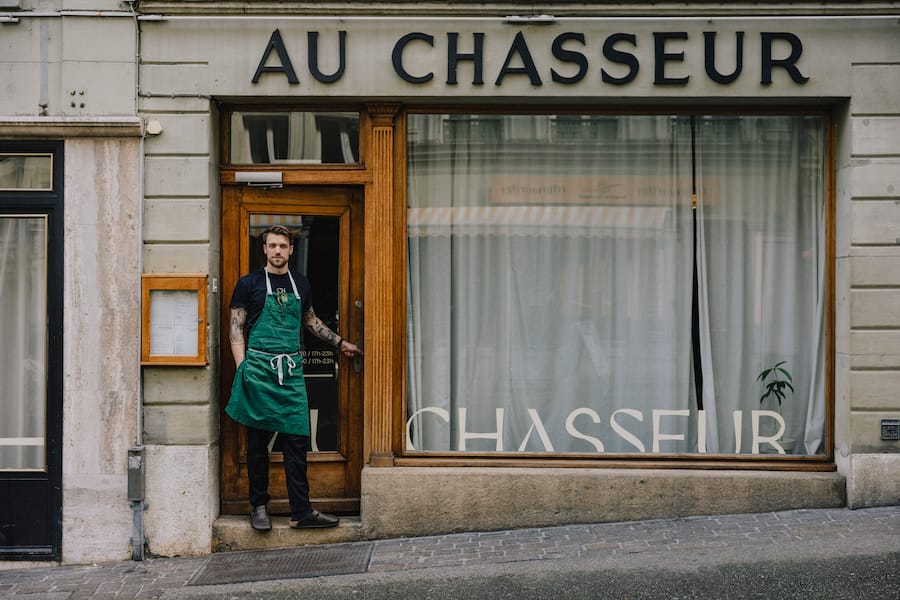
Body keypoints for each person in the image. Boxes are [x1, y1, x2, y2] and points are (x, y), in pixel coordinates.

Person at [226, 225, 362, 531]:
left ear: (291, 250)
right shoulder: (249, 284)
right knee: (257, 443)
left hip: (291, 373)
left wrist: (341, 343)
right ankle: (259, 507)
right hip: (259, 370)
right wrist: (243, 367)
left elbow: (311, 321)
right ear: (264, 249)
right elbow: (236, 327)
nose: (277, 250)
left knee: (297, 444)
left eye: (283, 246)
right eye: (272, 245)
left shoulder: (300, 283)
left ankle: (301, 511)